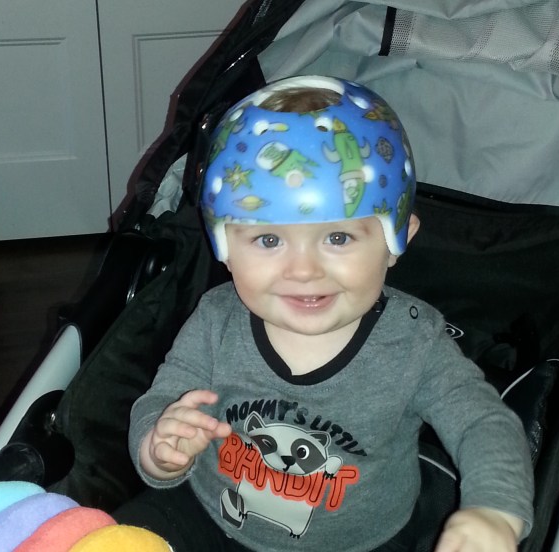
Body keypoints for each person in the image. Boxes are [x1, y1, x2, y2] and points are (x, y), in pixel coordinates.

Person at [116, 75, 534, 551]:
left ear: (396, 240)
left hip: (361, 543)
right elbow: (161, 401)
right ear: (224, 246)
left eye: (338, 238)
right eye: (268, 239)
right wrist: (159, 448)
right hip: (213, 514)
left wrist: (494, 510)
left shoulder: (415, 344)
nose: (303, 270)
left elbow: (483, 423)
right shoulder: (216, 321)